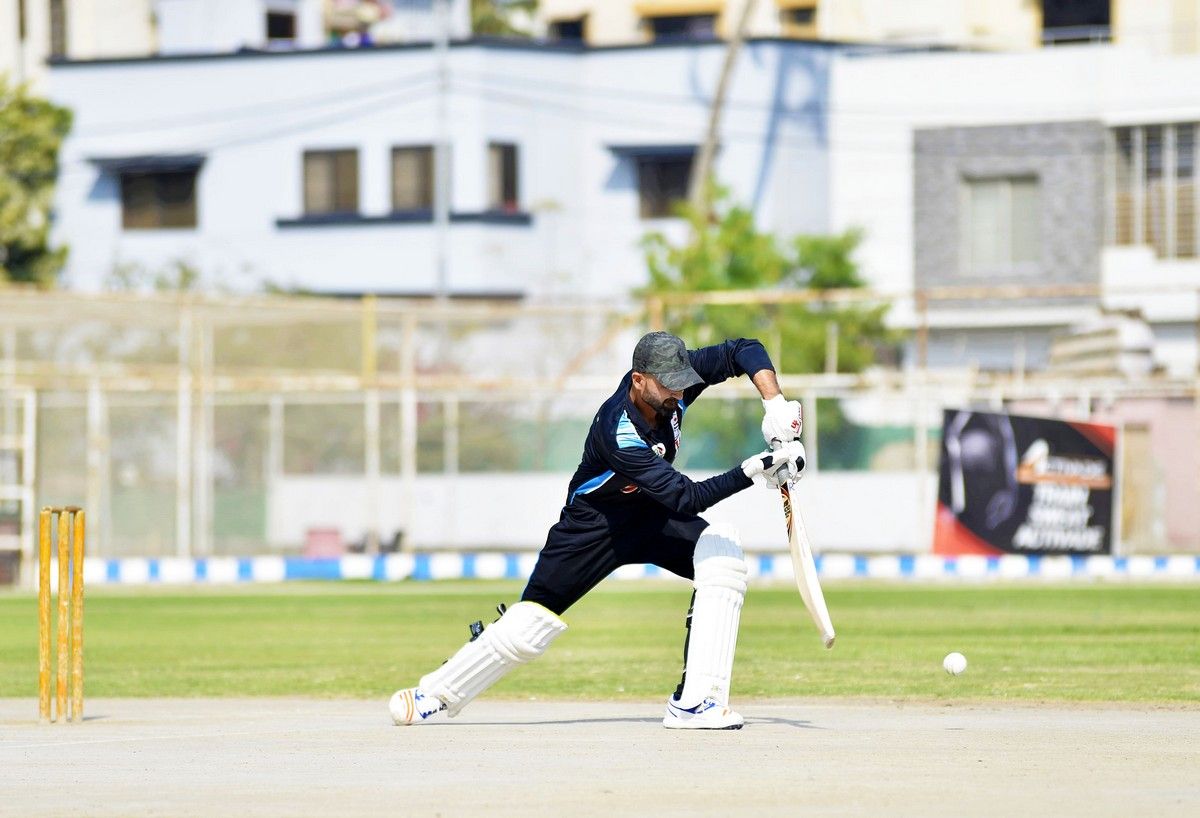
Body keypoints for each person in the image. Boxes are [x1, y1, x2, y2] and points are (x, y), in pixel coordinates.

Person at [389, 331, 805, 730]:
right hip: (593, 526)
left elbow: (743, 349)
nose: (678, 392)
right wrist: (757, 468)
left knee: (721, 556)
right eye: (669, 385)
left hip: (651, 515)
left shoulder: (674, 379)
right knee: (528, 625)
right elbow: (687, 499)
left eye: (682, 382)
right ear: (638, 380)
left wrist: (775, 405)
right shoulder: (618, 431)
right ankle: (435, 693)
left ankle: (696, 703)